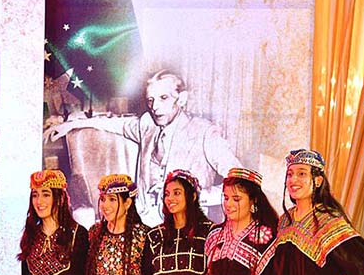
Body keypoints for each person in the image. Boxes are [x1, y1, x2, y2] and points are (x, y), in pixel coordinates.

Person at [44, 70, 241, 226]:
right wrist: (69, 124)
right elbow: (113, 123)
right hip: (145, 226)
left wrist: (201, 195)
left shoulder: (204, 132)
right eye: (151, 100)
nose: (155, 107)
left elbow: (241, 179)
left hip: (187, 230)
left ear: (181, 99)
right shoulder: (147, 124)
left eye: (164, 98)